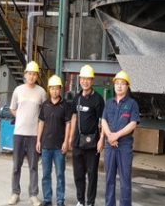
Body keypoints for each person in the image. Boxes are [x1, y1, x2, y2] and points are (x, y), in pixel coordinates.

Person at [8, 61, 46, 206]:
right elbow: (12, 108)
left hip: (34, 135)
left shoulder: (41, 92)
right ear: (25, 75)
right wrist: (21, 118)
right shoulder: (18, 90)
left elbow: (44, 112)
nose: (31, 76)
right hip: (19, 133)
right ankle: (15, 193)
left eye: (34, 74)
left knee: (33, 166)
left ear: (37, 76)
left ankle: (33, 195)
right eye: (29, 74)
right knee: (16, 165)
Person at [101, 71, 140, 206]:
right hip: (109, 146)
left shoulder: (132, 104)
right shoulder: (109, 103)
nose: (119, 86)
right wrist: (110, 136)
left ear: (127, 86)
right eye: (117, 83)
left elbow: (133, 124)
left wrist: (116, 135)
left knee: (125, 181)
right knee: (109, 180)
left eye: (122, 84)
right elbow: (103, 120)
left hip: (124, 146)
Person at [69, 64, 105, 206]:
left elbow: (102, 121)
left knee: (92, 174)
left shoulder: (98, 99)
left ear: (92, 80)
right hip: (78, 143)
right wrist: (71, 138)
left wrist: (101, 139)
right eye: (83, 78)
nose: (85, 81)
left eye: (88, 79)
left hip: (92, 143)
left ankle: (90, 202)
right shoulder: (77, 98)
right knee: (78, 174)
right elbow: (74, 117)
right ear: (79, 80)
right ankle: (81, 201)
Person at [36, 75, 71, 206]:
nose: (54, 91)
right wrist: (38, 140)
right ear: (49, 89)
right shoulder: (45, 105)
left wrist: (66, 142)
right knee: (46, 174)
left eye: (57, 89)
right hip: (46, 145)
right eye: (52, 89)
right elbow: (41, 123)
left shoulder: (65, 105)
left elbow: (68, 124)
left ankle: (60, 200)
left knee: (60, 174)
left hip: (59, 147)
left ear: (60, 89)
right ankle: (47, 199)